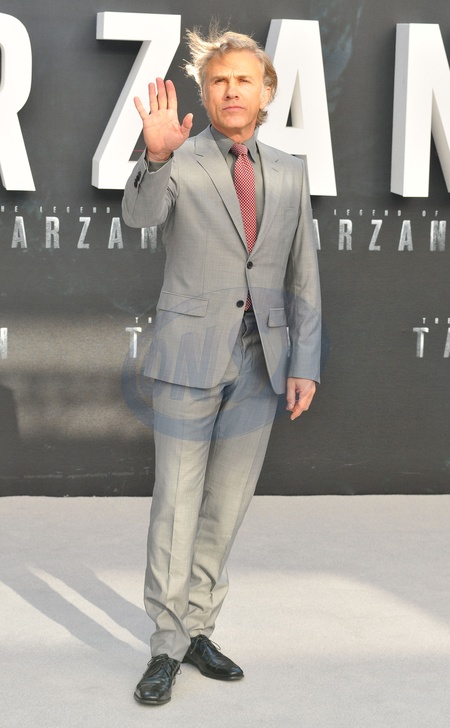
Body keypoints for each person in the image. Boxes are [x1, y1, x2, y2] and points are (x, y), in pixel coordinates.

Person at [122, 26, 322, 706]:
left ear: (265, 93)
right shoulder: (178, 157)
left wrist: (304, 362)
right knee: (176, 503)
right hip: (188, 355)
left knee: (226, 504)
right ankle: (166, 644)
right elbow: (139, 216)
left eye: (243, 80)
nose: (231, 90)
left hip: (263, 361)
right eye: (218, 81)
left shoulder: (291, 172)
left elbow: (303, 273)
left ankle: (199, 628)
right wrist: (154, 157)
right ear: (205, 95)